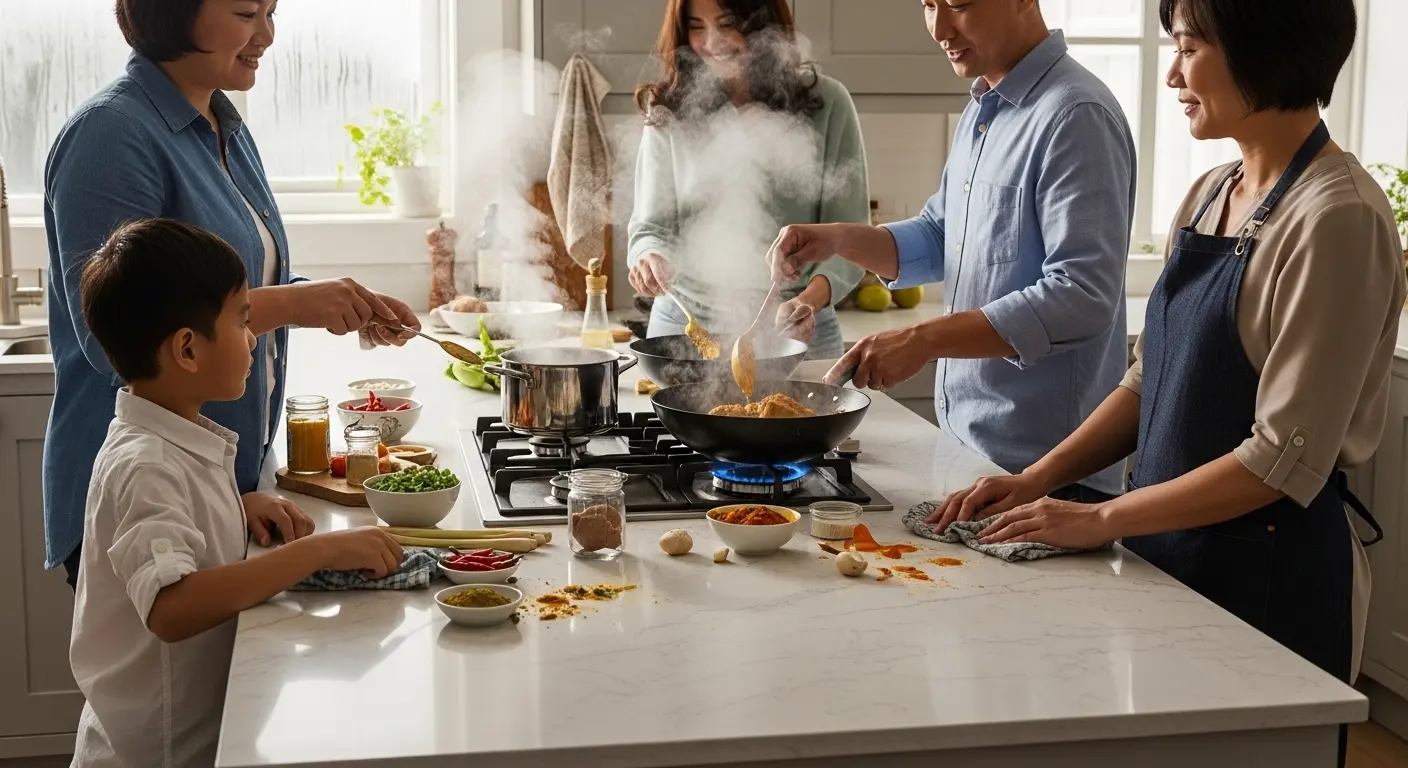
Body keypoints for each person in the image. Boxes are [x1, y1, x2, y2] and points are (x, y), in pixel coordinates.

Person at [930, 0, 1402, 762]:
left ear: (1263, 46)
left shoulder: (1336, 218)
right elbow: (1149, 378)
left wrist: (1101, 520)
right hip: (1171, 564)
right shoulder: (1211, 193)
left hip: (1269, 590)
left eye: (1189, 48)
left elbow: (1279, 459)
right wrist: (1036, 481)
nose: (1174, 75)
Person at [43, 0, 421, 589]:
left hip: (219, 487)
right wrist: (295, 305)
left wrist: (330, 302)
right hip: (145, 499)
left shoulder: (222, 124)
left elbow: (220, 289)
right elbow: (113, 337)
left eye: (272, 12)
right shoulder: (110, 136)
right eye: (247, 13)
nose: (266, 35)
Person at [69, 218, 404, 767]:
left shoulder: (174, 437)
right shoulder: (145, 463)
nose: (253, 339)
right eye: (243, 321)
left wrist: (236, 508)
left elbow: (180, 532)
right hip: (156, 752)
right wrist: (319, 551)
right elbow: (171, 607)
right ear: (187, 349)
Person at [769, 0, 1135, 502]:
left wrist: (924, 339)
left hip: (1051, 479)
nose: (940, 28)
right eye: (928, 4)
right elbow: (942, 236)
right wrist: (838, 239)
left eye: (959, 4)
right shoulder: (985, 106)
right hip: (970, 456)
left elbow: (1082, 296)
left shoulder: (1076, 115)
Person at [627, 0, 869, 360]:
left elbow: (851, 236)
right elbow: (650, 227)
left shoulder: (828, 103)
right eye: (696, 26)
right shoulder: (670, 107)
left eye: (727, 23)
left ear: (764, 21)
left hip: (794, 324)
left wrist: (808, 302)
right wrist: (648, 256)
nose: (712, 42)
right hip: (684, 324)